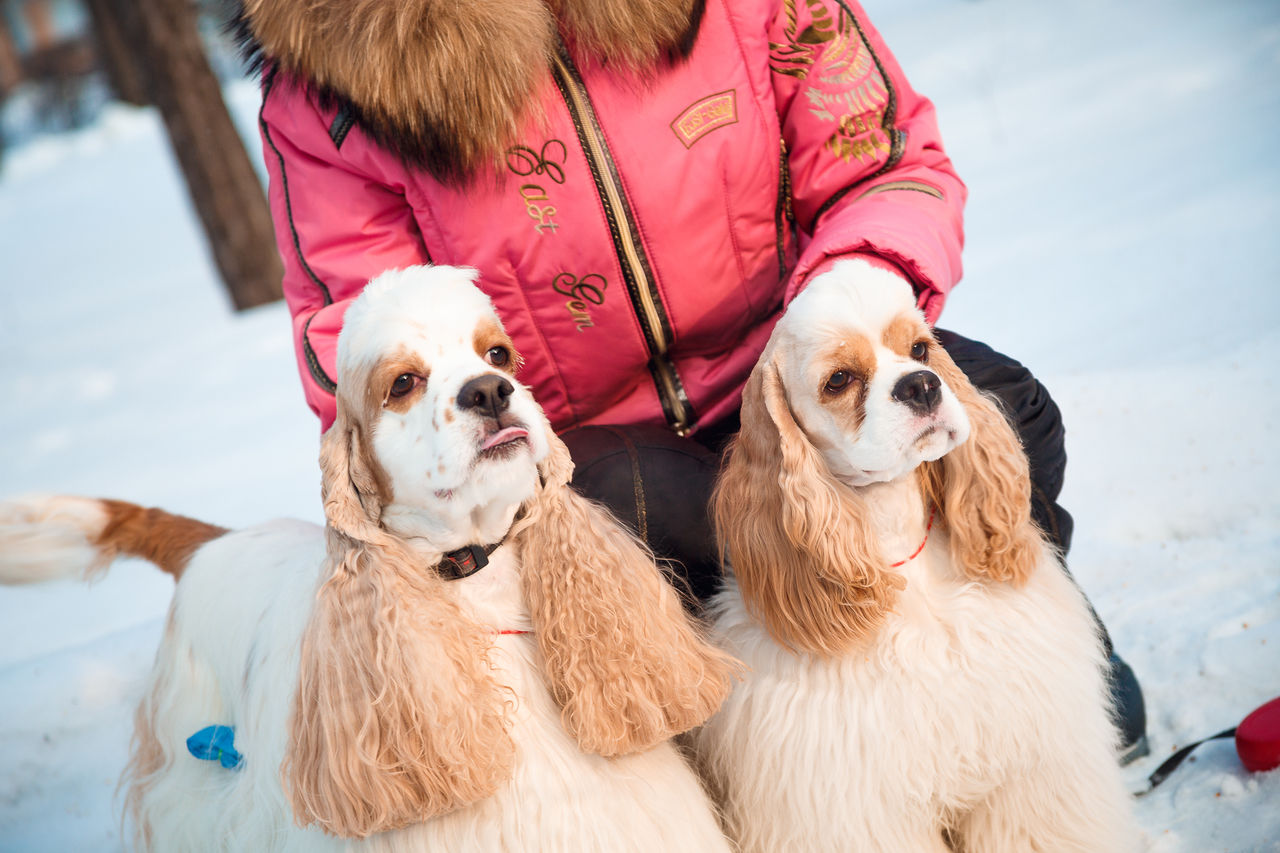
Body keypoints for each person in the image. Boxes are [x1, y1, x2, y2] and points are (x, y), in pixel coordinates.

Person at [236, 0, 1146, 761]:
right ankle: (749, 747)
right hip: (597, 437)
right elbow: (360, 336)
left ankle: (1022, 656)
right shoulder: (332, 88)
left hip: (799, 355)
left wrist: (828, 335)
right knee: (614, 526)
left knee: (1001, 408)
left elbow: (883, 161)